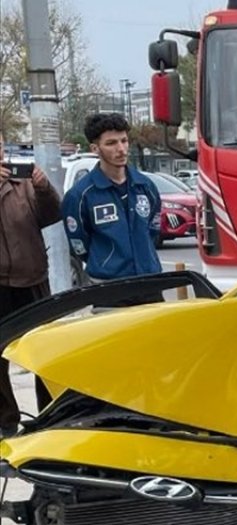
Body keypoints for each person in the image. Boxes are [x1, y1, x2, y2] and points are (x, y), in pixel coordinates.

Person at [62, 113, 164, 306]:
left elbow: (152, 229)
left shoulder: (145, 186)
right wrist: (107, 262)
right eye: (111, 143)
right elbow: (80, 243)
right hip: (108, 288)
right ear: (95, 148)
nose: (121, 149)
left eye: (124, 141)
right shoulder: (81, 195)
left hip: (150, 283)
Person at [0, 138, 59, 433]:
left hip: (32, 278)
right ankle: (6, 424)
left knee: (44, 353)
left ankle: (49, 420)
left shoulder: (20, 182)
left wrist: (44, 188)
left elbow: (51, 215)